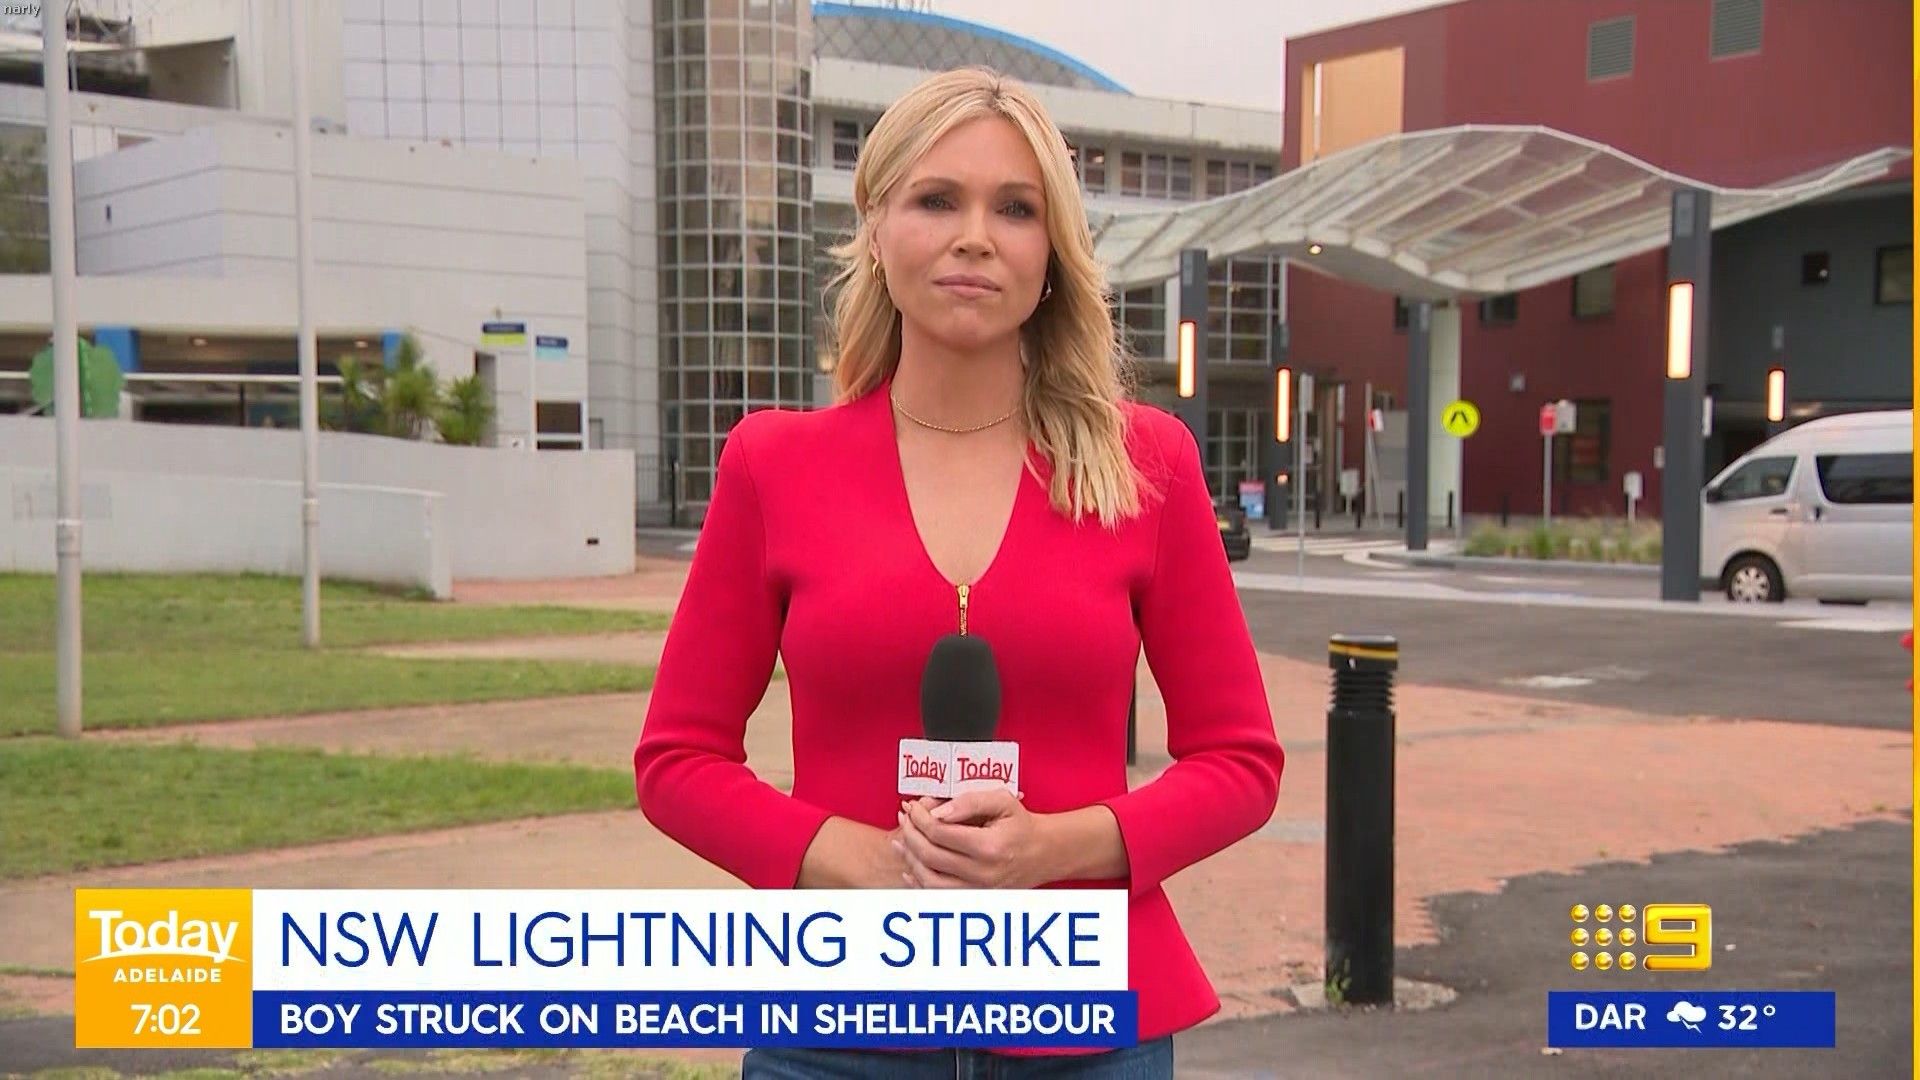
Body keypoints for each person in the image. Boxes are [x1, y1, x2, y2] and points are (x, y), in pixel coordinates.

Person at [634, 66, 1284, 1079]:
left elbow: (1240, 764)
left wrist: (1054, 848)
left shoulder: (1146, 465)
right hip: (834, 1032)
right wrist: (849, 858)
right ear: (876, 227)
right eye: (937, 199)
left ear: (1052, 253)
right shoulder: (774, 465)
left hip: (1087, 1032)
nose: (975, 236)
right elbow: (677, 762)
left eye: (1015, 209)